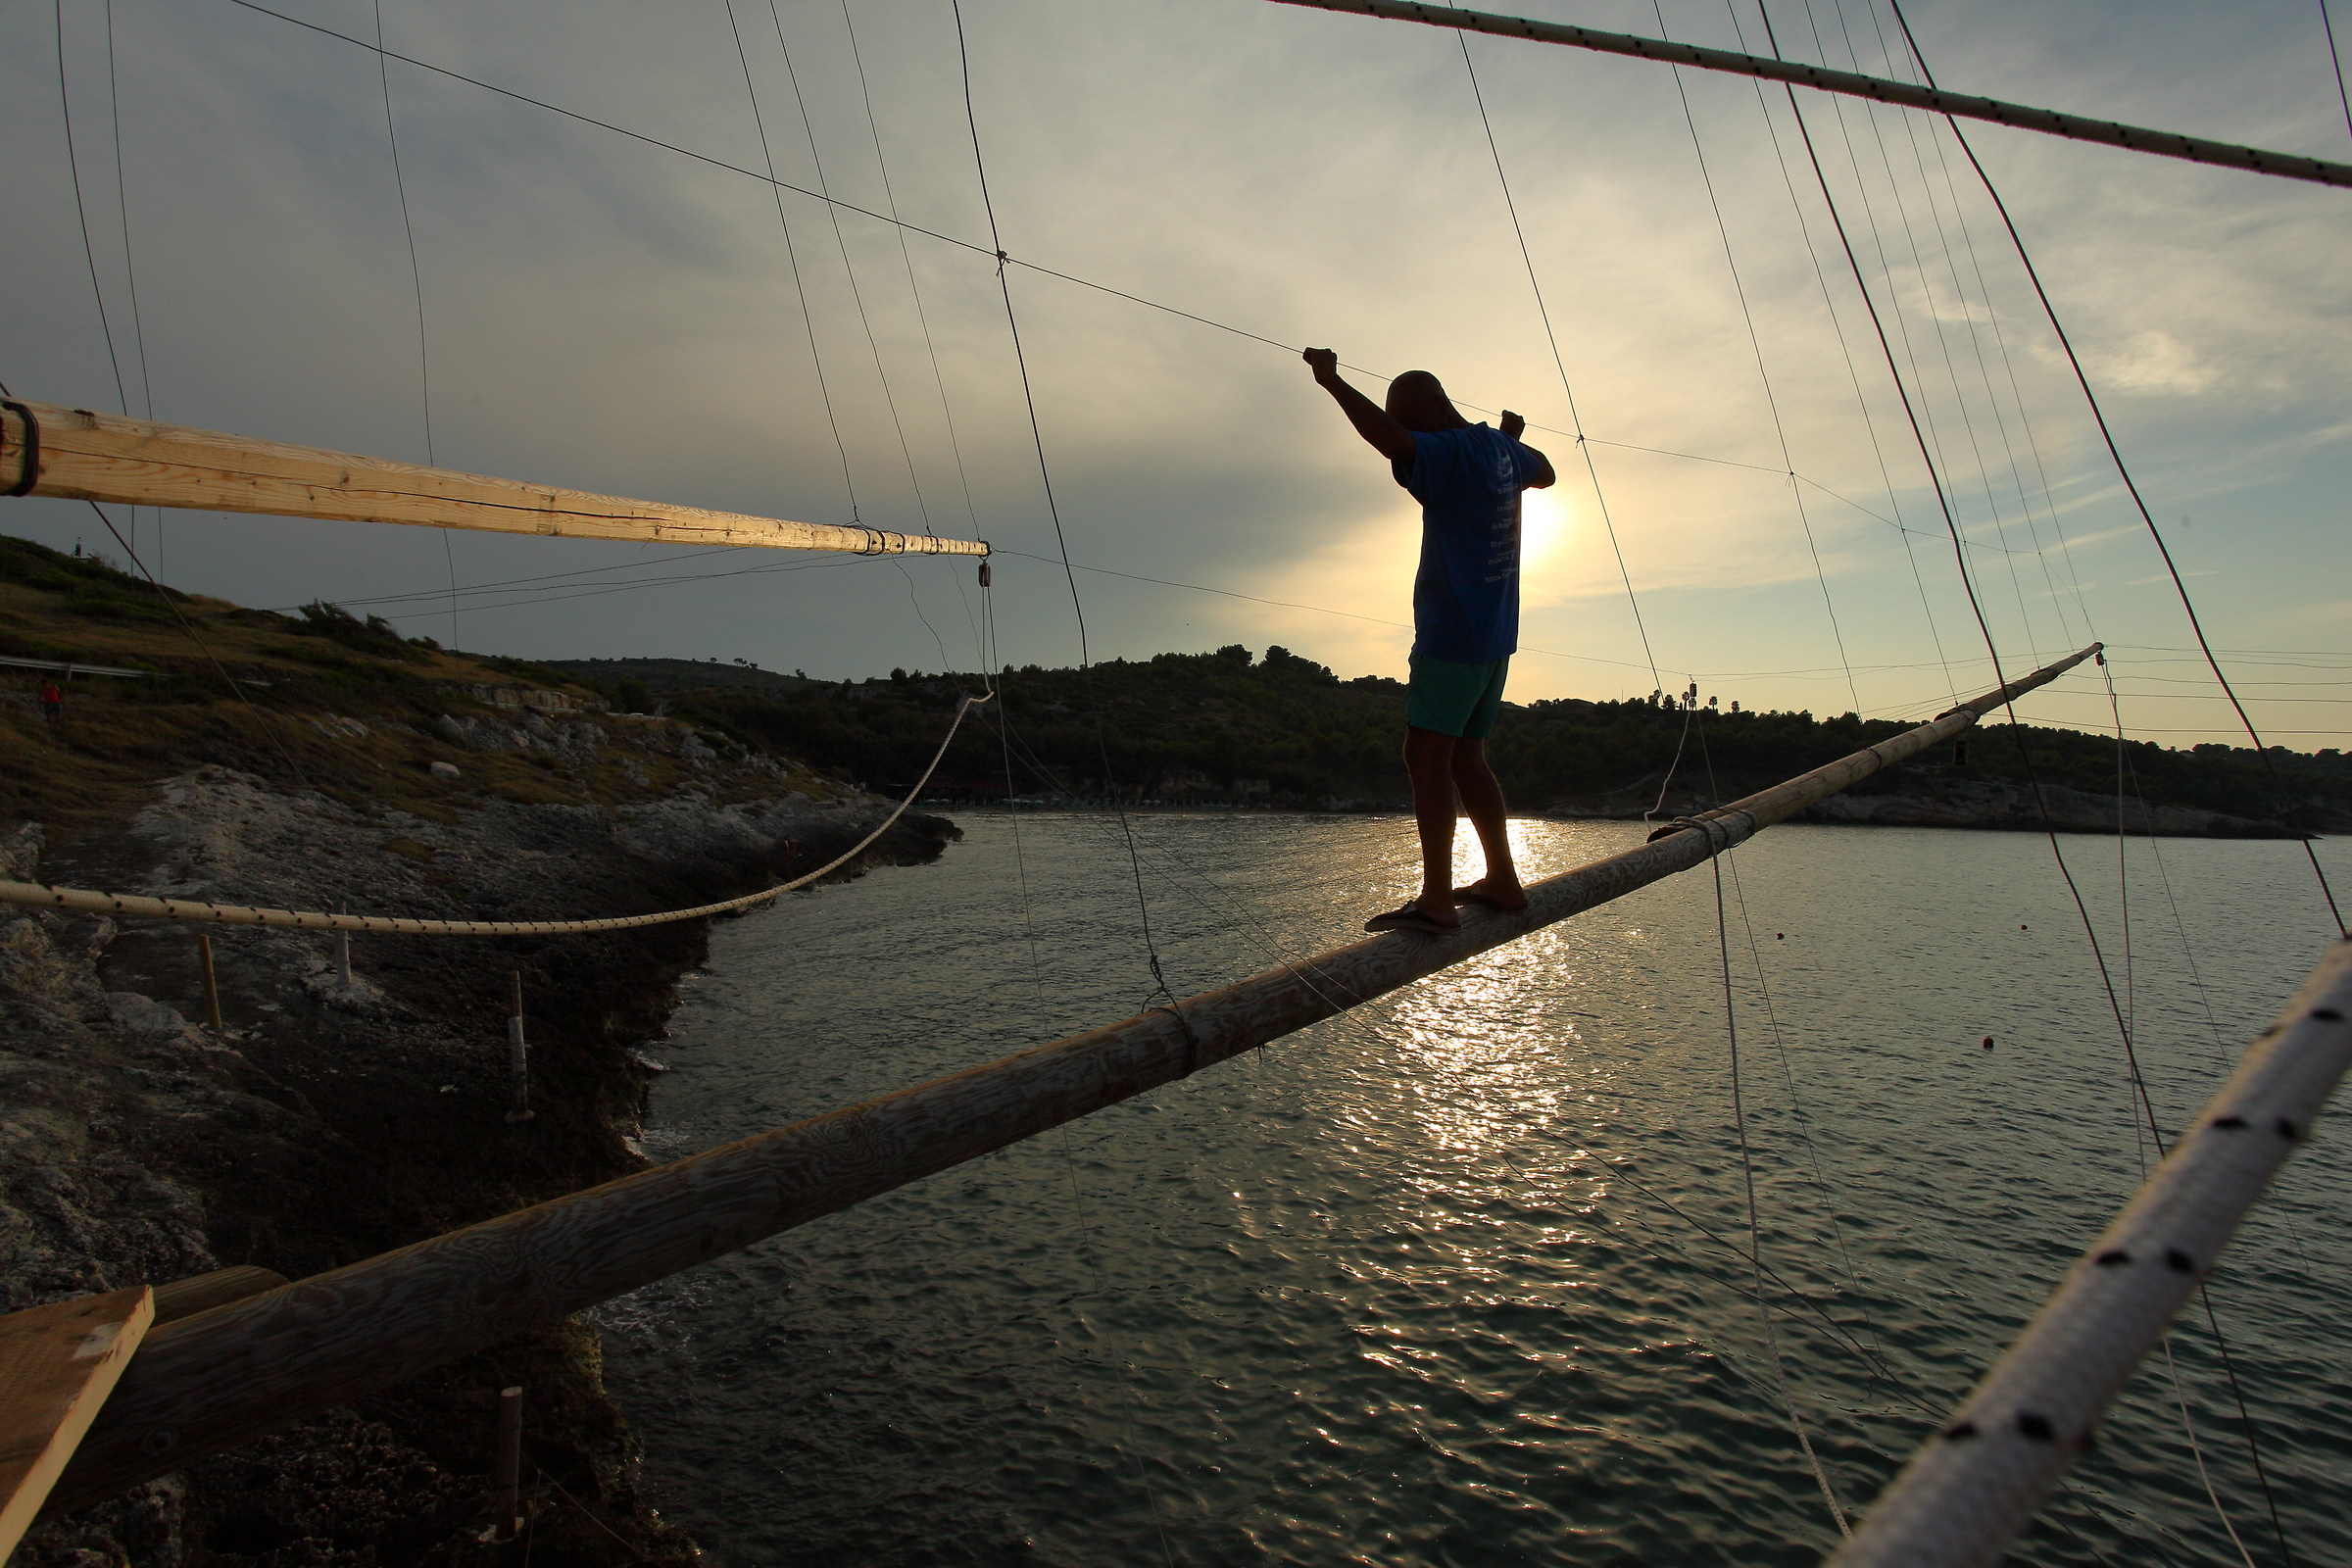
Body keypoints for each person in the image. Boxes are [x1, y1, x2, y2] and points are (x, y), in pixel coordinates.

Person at [1304, 348, 1555, 935]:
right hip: (1496, 638)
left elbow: (1394, 440)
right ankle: (1503, 880)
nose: (1413, 442)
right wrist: (1506, 441)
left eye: (1415, 422)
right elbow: (1544, 470)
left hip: (1453, 633)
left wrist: (1331, 381)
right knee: (1468, 758)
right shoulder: (1498, 449)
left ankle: (1437, 900)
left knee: (1425, 757)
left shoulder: (1439, 447)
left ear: (1434, 412)